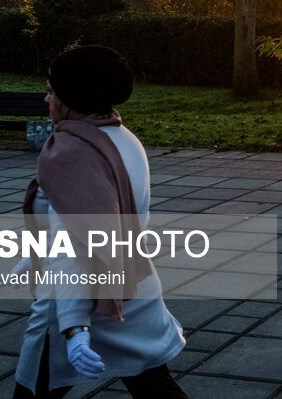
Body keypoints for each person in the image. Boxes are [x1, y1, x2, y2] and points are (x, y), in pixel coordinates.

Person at [13, 45, 187, 399]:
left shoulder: (70, 152)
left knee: (34, 391)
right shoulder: (124, 138)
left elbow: (76, 245)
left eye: (52, 90)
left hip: (72, 304)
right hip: (131, 292)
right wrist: (34, 255)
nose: (46, 98)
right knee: (156, 388)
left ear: (73, 96)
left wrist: (75, 329)